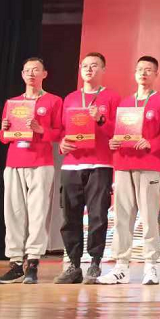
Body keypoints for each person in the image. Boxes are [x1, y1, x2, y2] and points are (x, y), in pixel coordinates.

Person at [98, 56, 160, 285]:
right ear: (135, 73)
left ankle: (151, 266)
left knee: (149, 216)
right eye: (140, 69)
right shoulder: (125, 103)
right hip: (123, 164)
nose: (143, 73)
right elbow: (118, 132)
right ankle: (121, 266)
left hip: (149, 165)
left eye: (148, 70)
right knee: (122, 217)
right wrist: (113, 141)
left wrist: (151, 143)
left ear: (156, 74)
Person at [0, 58, 63, 284]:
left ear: (45, 74)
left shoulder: (53, 101)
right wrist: (4, 130)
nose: (31, 74)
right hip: (14, 162)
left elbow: (59, 132)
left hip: (40, 162)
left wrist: (40, 129)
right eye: (27, 70)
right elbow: (3, 137)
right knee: (13, 213)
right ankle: (15, 263)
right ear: (22, 75)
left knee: (37, 212)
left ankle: (33, 262)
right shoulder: (13, 102)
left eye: (36, 70)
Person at [54, 52, 121, 284]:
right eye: (85, 66)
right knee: (70, 216)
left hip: (100, 164)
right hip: (72, 164)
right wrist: (62, 143)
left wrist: (101, 119)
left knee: (97, 215)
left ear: (103, 70)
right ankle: (73, 265)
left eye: (94, 66)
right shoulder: (71, 98)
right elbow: (62, 130)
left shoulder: (112, 97)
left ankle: (95, 262)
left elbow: (119, 131)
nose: (89, 70)